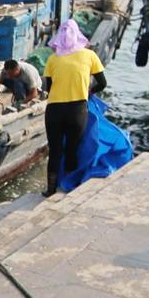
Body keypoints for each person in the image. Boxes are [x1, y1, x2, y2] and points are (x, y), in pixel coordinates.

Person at [41, 19, 107, 197]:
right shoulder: (89, 55)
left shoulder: (52, 59)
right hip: (77, 110)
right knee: (72, 148)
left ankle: (50, 189)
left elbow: (48, 87)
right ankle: (69, 187)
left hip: (54, 110)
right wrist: (89, 91)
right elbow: (103, 83)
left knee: (55, 150)